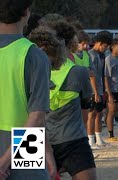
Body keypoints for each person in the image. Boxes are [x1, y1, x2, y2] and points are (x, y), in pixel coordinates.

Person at [28, 26, 97, 179]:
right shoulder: (78, 72)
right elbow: (85, 108)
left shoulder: (23, 71)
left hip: (28, 137)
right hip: (72, 139)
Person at [0, 1, 56, 179]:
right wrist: (4, 162)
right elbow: (37, 115)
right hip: (24, 140)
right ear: (26, 13)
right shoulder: (33, 54)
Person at [73, 30, 101, 139]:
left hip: (85, 90)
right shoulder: (70, 55)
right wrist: (86, 71)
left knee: (85, 118)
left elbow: (92, 72)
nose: (85, 46)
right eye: (83, 43)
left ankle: (87, 142)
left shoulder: (86, 55)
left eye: (86, 44)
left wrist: (95, 92)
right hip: (74, 91)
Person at [88, 31, 112, 147]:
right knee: (91, 115)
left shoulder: (101, 55)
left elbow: (101, 74)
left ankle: (99, 139)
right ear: (99, 43)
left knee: (99, 114)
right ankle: (91, 141)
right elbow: (91, 75)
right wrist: (96, 92)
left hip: (100, 89)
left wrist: (104, 91)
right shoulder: (91, 55)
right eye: (105, 46)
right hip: (93, 90)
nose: (106, 49)